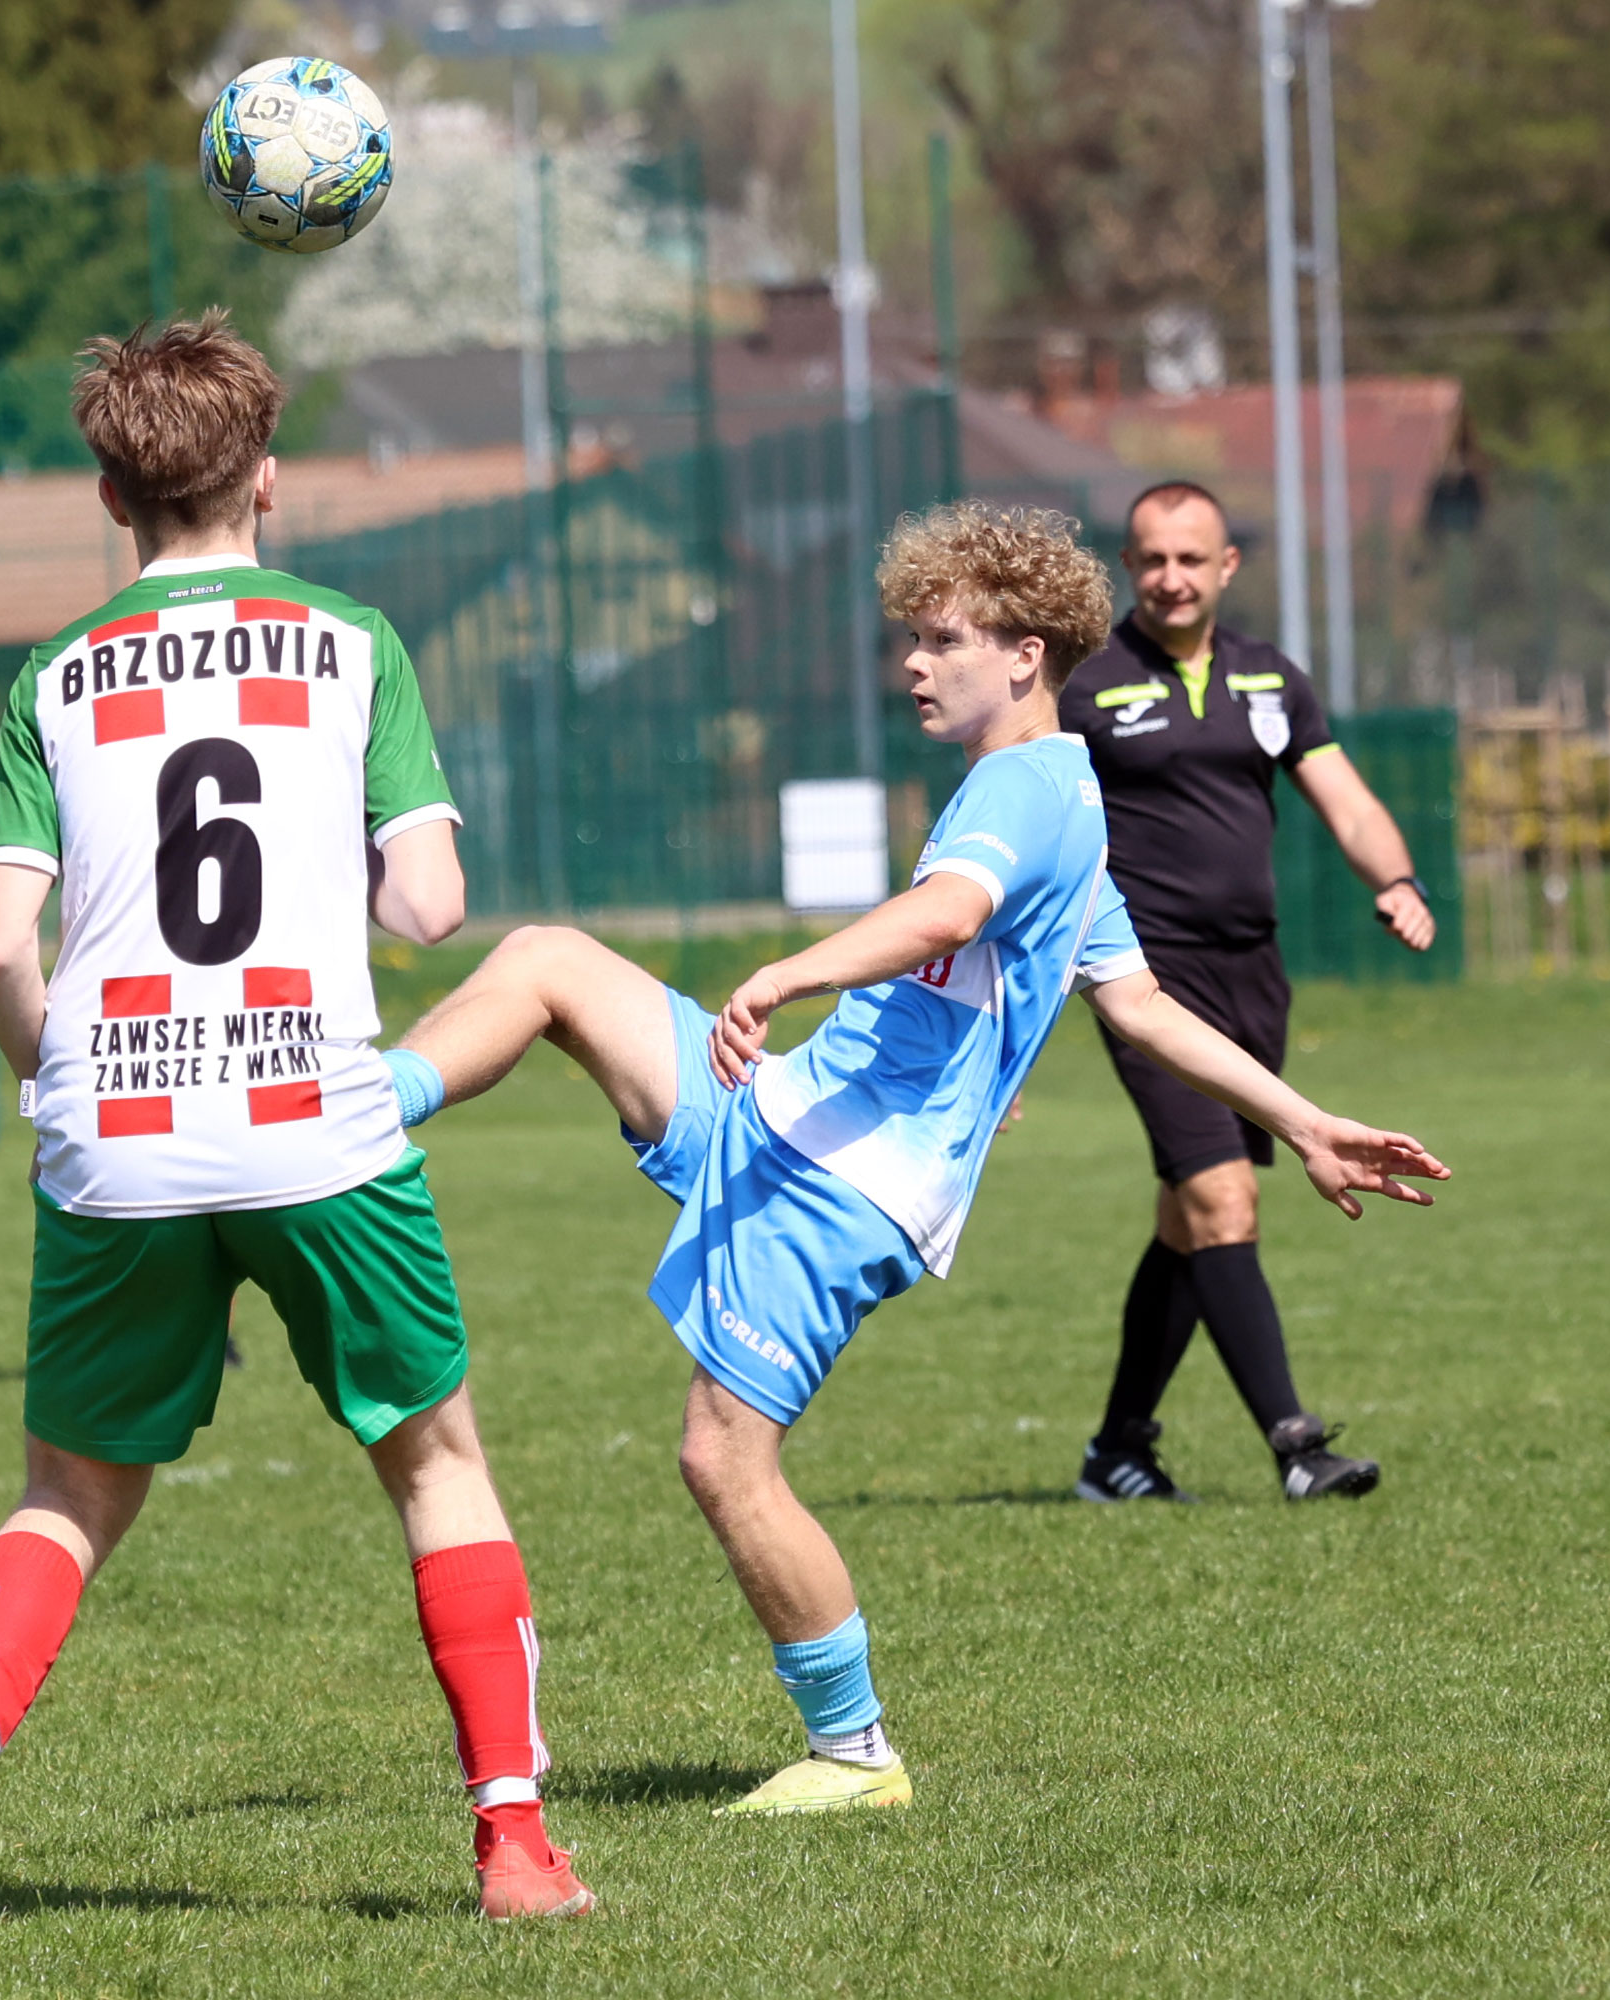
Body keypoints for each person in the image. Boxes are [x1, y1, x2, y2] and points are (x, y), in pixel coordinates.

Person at [379, 502, 1448, 1817]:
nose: (914, 664)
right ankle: (366, 1106)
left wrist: (789, 970)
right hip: (792, 1110)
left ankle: (853, 1752)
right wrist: (1302, 1118)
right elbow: (1140, 1004)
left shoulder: (1023, 789)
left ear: (1025, 654)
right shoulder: (1068, 797)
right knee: (548, 960)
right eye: (913, 639)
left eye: (942, 640)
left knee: (723, 1458)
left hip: (849, 1176)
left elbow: (949, 911)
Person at [0, 315, 593, 1942]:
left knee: (69, 1492)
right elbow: (431, 906)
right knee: (434, 1464)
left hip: (116, 1128)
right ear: (269, 477)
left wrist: (50, 1090)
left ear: (112, 494)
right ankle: (517, 1845)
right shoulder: (351, 643)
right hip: (313, 1119)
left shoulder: (55, 673)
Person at [1061, 482, 1437, 1505]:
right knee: (1223, 1197)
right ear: (1126, 566)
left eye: (1191, 558)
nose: (1170, 577)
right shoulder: (1084, 686)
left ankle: (1115, 1453)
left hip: (1252, 977)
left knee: (1190, 1218)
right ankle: (1296, 1446)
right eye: (1151, 558)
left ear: (1226, 565)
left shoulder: (1270, 677)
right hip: (1145, 980)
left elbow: (1344, 799)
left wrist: (1396, 880)